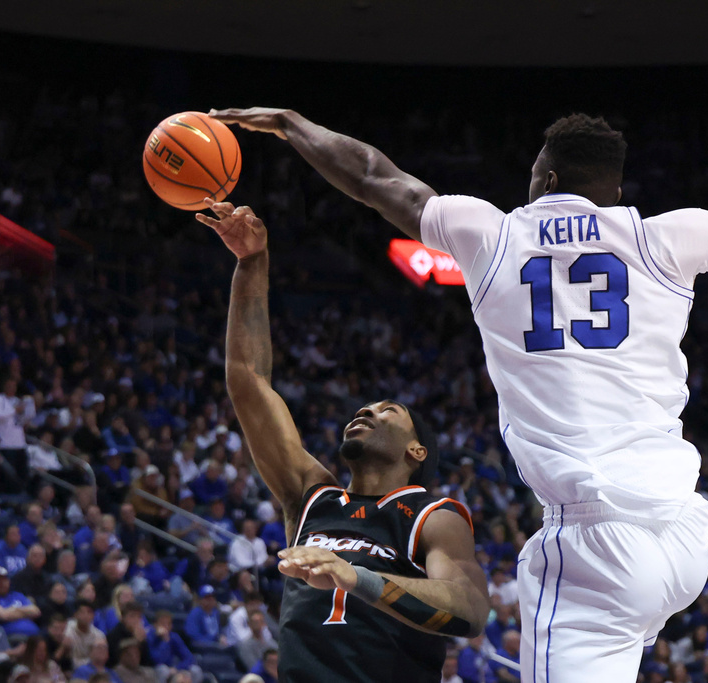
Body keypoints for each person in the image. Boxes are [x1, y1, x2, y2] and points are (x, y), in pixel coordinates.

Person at [211, 18, 708, 682]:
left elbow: (372, 176)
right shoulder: (664, 237)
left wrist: (291, 123)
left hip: (595, 543)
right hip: (684, 533)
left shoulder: (493, 233)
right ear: (616, 191)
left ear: (539, 174)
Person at [194, 201, 489, 682]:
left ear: (418, 452)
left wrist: (358, 577)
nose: (366, 410)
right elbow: (248, 380)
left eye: (387, 411)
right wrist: (251, 263)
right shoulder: (313, 496)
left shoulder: (432, 517)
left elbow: (471, 611)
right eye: (364, 408)